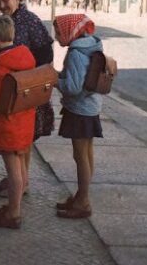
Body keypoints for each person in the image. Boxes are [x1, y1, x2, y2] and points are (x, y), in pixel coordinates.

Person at [0, 0, 54, 197]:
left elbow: (46, 54)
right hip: (11, 90)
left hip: (25, 91)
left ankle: (21, 184)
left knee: (22, 141)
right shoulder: (6, 20)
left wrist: (29, 79)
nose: (2, 5)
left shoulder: (30, 21)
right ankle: (14, 179)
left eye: (5, 1)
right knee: (13, 140)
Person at [0, 16, 36, 229]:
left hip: (8, 126)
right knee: (19, 168)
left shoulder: (1, 67)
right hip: (24, 122)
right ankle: (13, 207)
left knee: (13, 172)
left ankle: (13, 213)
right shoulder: (26, 59)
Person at [53, 14, 102, 219]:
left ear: (70, 31)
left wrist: (55, 79)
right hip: (91, 107)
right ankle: (81, 196)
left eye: (58, 32)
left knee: (80, 156)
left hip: (80, 109)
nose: (56, 37)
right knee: (87, 154)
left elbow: (72, 87)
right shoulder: (91, 45)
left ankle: (83, 202)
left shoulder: (76, 53)